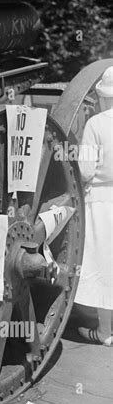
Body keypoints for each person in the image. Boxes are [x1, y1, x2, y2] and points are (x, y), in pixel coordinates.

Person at [74, 65, 113, 346]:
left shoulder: (96, 125)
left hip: (101, 201)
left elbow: (85, 171)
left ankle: (104, 332)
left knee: (104, 266)